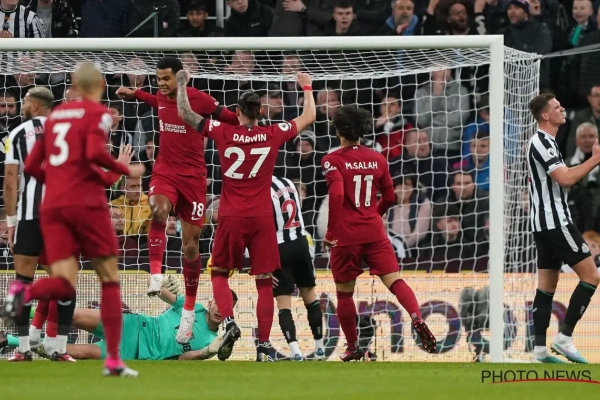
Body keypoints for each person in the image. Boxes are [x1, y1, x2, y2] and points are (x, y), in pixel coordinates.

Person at [2, 62, 144, 377]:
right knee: (107, 279)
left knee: (56, 279)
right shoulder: (99, 114)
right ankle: (110, 360)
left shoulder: (53, 121)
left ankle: (22, 302)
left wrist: (54, 183)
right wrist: (123, 168)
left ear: (74, 86)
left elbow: (29, 168)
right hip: (85, 207)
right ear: (101, 87)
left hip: (46, 209)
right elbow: (93, 154)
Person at [176, 69, 316, 361]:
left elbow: (186, 114)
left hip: (231, 215)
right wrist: (306, 87)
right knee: (264, 282)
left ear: (237, 112)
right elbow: (308, 117)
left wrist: (181, 84)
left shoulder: (223, 131)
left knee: (218, 273)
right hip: (263, 218)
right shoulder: (272, 132)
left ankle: (229, 323)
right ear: (260, 112)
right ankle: (263, 347)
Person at [116, 57, 239, 344]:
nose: (160, 84)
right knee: (158, 210)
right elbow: (156, 100)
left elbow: (229, 118)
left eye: (166, 78)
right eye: (157, 78)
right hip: (166, 171)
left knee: (191, 247)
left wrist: (246, 126)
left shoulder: (199, 99)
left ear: (179, 77)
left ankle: (188, 312)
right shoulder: (160, 95)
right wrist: (136, 93)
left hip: (194, 179)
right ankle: (155, 274)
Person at [321, 105, 437, 361]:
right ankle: (417, 317)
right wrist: (374, 213)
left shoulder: (331, 160)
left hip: (346, 236)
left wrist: (331, 232)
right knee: (395, 281)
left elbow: (337, 194)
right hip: (374, 232)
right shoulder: (378, 158)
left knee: (344, 292)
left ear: (338, 130)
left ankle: (353, 346)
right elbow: (390, 197)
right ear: (362, 130)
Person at [526, 93, 600, 363]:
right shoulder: (542, 142)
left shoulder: (547, 141)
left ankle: (539, 350)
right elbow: (565, 178)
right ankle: (564, 338)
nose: (563, 108)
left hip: (543, 223)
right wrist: (594, 159)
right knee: (591, 276)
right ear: (545, 115)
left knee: (547, 286)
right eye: (557, 107)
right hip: (555, 221)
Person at [1, 278, 237, 361]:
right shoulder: (192, 307)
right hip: (132, 325)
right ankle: (21, 311)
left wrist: (206, 352)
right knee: (71, 315)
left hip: (133, 352)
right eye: (220, 302)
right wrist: (160, 282)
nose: (221, 309)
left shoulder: (213, 342)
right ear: (211, 302)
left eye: (227, 306)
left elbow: (181, 358)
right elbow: (157, 290)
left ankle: (8, 340)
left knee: (73, 350)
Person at [2, 87, 57, 362]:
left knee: (22, 281)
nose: (22, 106)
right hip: (60, 216)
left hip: (29, 216)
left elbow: (10, 182)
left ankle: (24, 347)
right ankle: (53, 344)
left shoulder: (17, 134)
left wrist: (11, 222)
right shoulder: (66, 131)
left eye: (24, 102)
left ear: (34, 105)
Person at [271, 175, 324, 361]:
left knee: (283, 304)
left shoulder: (261, 191)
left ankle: (295, 351)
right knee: (310, 297)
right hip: (301, 242)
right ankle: (320, 348)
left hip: (279, 247)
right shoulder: (289, 183)